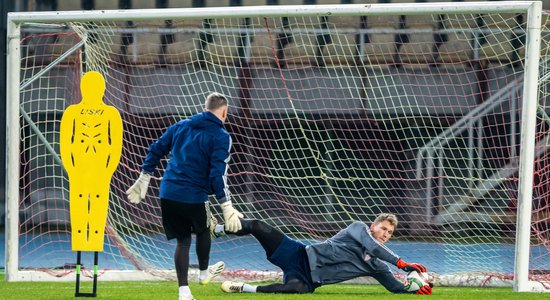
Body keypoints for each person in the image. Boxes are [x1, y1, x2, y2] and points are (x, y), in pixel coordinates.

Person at [126, 92, 244, 300]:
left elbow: (155, 149)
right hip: (194, 195)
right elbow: (218, 175)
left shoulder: (182, 125)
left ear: (205, 108)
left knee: (182, 241)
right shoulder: (221, 136)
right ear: (224, 111)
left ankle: (184, 293)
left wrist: (145, 176)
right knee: (204, 230)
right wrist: (227, 206)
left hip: (168, 193)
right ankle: (204, 274)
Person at [214, 213, 433, 295]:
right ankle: (217, 230)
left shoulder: (377, 266)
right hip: (297, 254)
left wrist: (416, 289)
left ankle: (244, 288)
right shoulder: (357, 229)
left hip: (308, 279)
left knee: (296, 290)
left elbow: (395, 288)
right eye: (383, 228)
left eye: (390, 232)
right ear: (372, 226)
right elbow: (374, 246)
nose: (386, 234)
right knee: (257, 225)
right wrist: (402, 263)